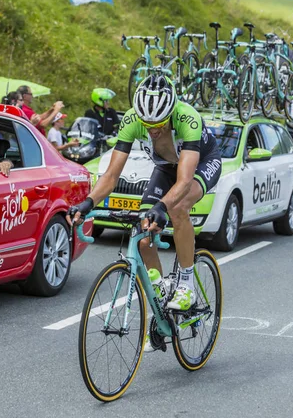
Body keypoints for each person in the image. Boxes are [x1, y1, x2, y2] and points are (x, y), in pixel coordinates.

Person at [67, 75, 222, 312]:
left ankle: (187, 286)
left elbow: (184, 180)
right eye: (147, 125)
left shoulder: (187, 118)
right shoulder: (131, 120)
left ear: (170, 114)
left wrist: (162, 207)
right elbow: (110, 176)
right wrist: (87, 203)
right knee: (143, 232)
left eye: (159, 124)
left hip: (201, 163)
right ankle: (160, 295)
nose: (153, 130)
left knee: (178, 208)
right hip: (165, 166)